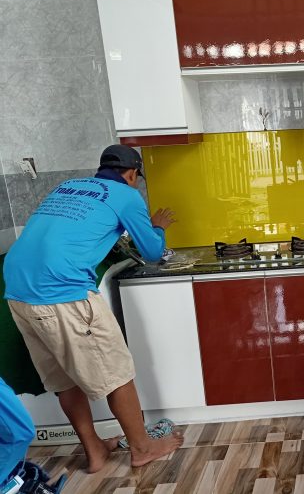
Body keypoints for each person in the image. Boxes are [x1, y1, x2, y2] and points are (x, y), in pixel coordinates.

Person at [3, 145, 184, 473]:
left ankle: (95, 450)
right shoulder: (127, 196)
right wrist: (157, 226)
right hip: (62, 291)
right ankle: (142, 448)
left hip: (17, 290)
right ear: (132, 174)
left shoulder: (67, 186)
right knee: (117, 373)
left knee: (63, 379)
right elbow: (153, 251)